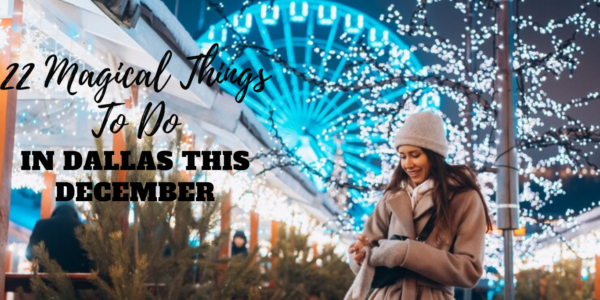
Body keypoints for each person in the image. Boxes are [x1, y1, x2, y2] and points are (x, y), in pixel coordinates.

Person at [346, 111, 493, 300]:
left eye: (415, 155)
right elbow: (368, 251)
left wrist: (407, 252)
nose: (408, 164)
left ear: (434, 155)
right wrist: (359, 255)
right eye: (403, 156)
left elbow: (469, 270)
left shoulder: (464, 199)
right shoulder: (391, 198)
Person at [26, 201, 92, 273]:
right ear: (73, 209)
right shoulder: (84, 228)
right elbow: (90, 260)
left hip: (46, 280)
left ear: (56, 208)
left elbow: (30, 255)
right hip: (75, 281)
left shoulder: (41, 225)